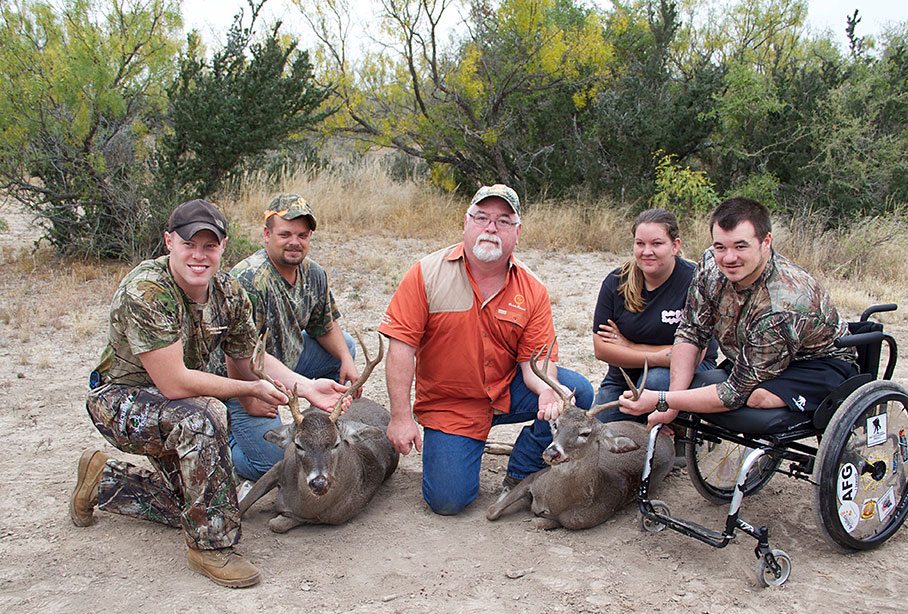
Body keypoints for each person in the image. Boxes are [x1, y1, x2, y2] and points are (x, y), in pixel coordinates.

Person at [70, 199, 348, 588]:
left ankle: (103, 482)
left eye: (210, 246)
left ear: (223, 247)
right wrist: (250, 388)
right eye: (189, 244)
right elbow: (174, 383)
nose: (199, 256)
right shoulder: (146, 291)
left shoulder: (228, 291)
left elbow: (249, 358)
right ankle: (211, 548)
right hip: (121, 402)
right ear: (169, 241)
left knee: (202, 504)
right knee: (205, 417)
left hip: (174, 404)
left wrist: (302, 387)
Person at [377, 184, 594, 515]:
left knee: (576, 392)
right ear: (466, 223)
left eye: (503, 221)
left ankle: (522, 469)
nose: (491, 227)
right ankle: (461, 448)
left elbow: (536, 362)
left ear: (517, 233)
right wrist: (401, 416)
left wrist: (548, 391)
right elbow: (402, 348)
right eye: (481, 217)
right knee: (448, 502)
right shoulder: (425, 274)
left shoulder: (533, 289)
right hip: (451, 406)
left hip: (506, 390)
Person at [618, 197, 857, 428]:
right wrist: (672, 402)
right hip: (751, 355)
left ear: (766, 241)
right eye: (720, 246)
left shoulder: (783, 305)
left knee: (758, 398)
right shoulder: (710, 264)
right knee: (692, 389)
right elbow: (692, 331)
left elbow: (733, 394)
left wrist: (662, 399)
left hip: (815, 364)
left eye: (741, 246)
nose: (729, 258)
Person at [221, 193, 360, 480]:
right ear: (267, 234)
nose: (294, 242)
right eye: (285, 234)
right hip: (240, 376)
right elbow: (234, 352)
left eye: (302, 235)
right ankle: (220, 445)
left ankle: (314, 432)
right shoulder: (248, 279)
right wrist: (248, 396)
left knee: (344, 345)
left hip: (283, 362)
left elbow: (325, 325)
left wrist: (346, 359)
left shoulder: (313, 273)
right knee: (273, 464)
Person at [591, 208, 717, 428]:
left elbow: (695, 355)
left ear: (675, 246)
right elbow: (602, 350)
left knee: (655, 379)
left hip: (685, 373)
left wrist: (631, 346)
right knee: (597, 432)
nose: (647, 251)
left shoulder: (695, 281)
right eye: (640, 244)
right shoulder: (616, 282)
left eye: (656, 244)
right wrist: (661, 355)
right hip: (625, 374)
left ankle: (671, 428)